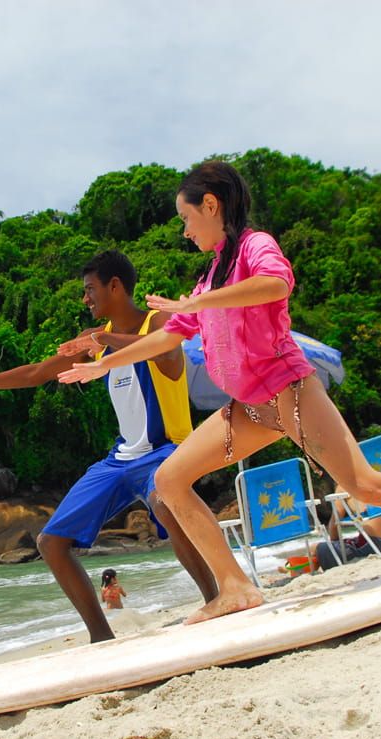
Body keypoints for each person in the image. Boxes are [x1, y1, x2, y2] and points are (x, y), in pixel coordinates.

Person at [58, 161, 381, 625]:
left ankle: (234, 587)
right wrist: (104, 364)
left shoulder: (254, 247)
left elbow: (275, 284)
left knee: (364, 485)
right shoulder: (210, 276)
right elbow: (169, 337)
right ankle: (235, 588)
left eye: (187, 218)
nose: (185, 231)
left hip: (289, 393)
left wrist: (200, 303)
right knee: (170, 481)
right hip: (249, 410)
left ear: (211, 206)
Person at [0, 250, 217, 643]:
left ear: (115, 287)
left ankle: (217, 602)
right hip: (120, 459)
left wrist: (102, 339)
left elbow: (166, 350)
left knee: (165, 503)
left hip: (166, 451)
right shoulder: (97, 341)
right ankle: (101, 639)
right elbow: (38, 373)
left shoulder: (157, 321)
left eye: (90, 290)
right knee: (51, 543)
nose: (86, 299)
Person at [315, 485, 381, 570]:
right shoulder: (374, 477)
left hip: (373, 543)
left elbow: (334, 523)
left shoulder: (344, 486)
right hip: (373, 539)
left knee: (319, 549)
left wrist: (334, 544)